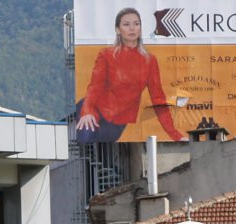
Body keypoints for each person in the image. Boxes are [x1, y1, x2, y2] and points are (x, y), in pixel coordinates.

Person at [76, 9, 185, 145]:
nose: (132, 28)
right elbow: (95, 87)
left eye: (136, 24)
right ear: (118, 29)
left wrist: (175, 135)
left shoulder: (149, 61)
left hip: (117, 122)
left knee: (104, 153)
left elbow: (158, 99)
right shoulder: (106, 54)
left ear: (140, 28)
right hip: (94, 109)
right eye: (126, 24)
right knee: (85, 139)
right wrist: (87, 111)